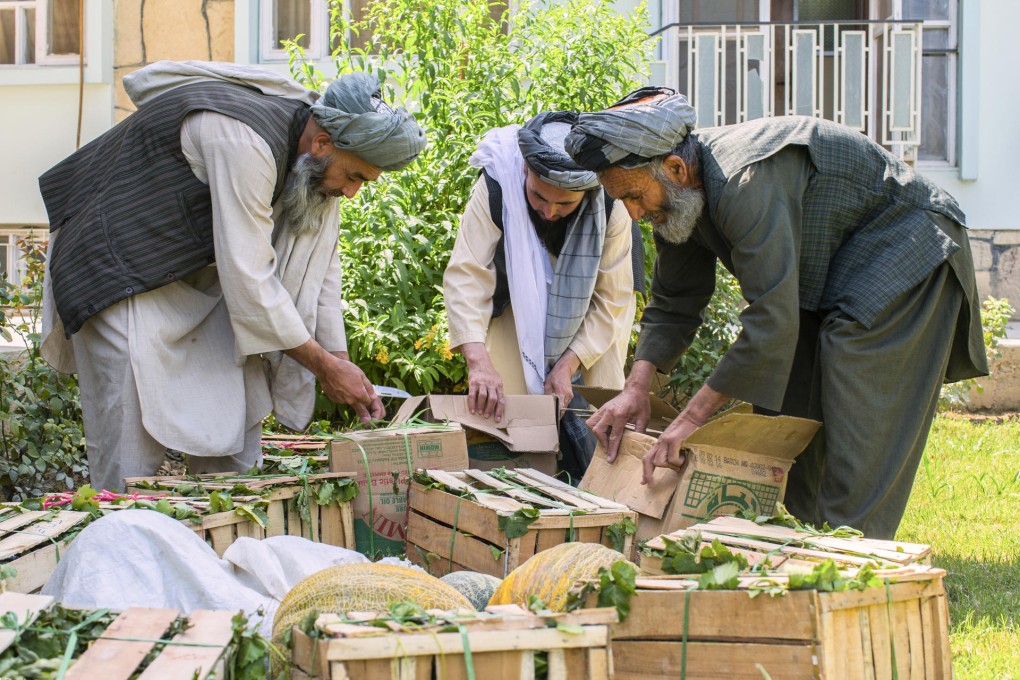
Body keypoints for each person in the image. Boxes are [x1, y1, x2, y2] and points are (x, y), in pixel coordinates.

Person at [565, 87, 988, 539]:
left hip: (909, 245)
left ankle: (852, 555)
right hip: (829, 275)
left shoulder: (746, 181)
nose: (633, 214)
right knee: (787, 411)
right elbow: (674, 301)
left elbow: (771, 321)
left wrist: (691, 422)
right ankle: (797, 539)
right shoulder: (675, 199)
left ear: (675, 168)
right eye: (623, 202)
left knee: (857, 409)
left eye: (634, 196)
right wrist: (636, 388)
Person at [38, 60, 426, 492]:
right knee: (131, 461)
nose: (351, 192)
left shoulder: (319, 162)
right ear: (321, 143)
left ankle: (223, 533)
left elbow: (320, 272)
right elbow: (250, 281)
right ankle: (122, 530)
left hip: (192, 277)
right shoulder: (244, 140)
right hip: (116, 265)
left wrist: (341, 362)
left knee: (236, 438)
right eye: (354, 177)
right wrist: (324, 368)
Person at [443, 112, 636, 478]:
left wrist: (569, 364)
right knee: (512, 426)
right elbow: (467, 274)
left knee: (595, 431)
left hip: (592, 321)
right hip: (514, 310)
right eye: (538, 196)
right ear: (524, 171)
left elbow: (611, 298)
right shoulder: (497, 182)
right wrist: (478, 363)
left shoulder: (612, 203)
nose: (549, 212)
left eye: (565, 205)